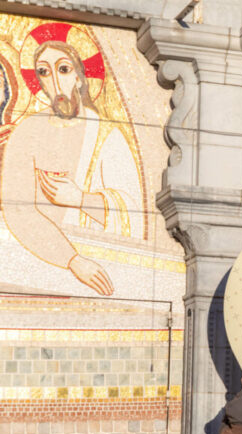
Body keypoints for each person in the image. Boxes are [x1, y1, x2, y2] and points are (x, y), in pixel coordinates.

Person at [1, 28, 145, 296]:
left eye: (63, 69)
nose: (54, 82)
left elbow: (134, 214)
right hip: (42, 265)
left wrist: (81, 199)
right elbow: (17, 210)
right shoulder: (28, 131)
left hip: (99, 265)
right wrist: (73, 260)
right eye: (44, 72)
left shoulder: (106, 134)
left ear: (80, 77)